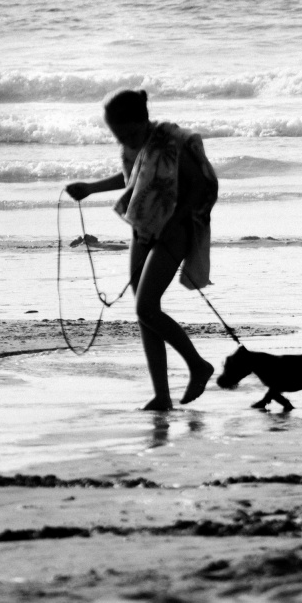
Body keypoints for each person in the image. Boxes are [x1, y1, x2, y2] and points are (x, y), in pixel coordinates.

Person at [66, 90, 218, 411]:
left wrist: (174, 222)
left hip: (175, 228)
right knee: (144, 312)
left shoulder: (173, 141)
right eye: (117, 135)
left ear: (143, 120)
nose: (125, 140)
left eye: (129, 132)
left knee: (146, 308)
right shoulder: (134, 144)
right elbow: (131, 178)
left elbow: (203, 185)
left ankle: (197, 365)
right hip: (145, 227)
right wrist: (90, 189)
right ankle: (162, 396)